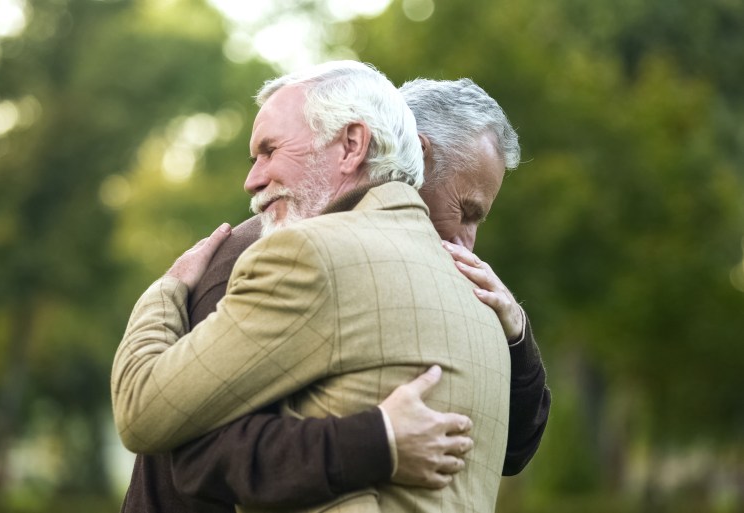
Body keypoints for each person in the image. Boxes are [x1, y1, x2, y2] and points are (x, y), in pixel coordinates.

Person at [118, 78, 551, 513]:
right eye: (467, 209)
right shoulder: (273, 253)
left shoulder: (454, 287)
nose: (468, 242)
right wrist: (377, 441)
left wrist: (516, 335)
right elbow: (194, 455)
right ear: (416, 154)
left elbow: (507, 450)